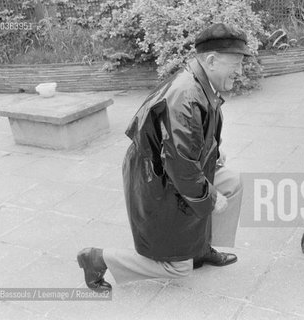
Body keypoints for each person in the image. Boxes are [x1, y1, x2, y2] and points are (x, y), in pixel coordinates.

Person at [77, 23, 249, 292]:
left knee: (232, 182)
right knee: (177, 269)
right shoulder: (185, 95)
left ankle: (200, 248)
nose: (240, 71)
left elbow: (188, 141)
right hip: (156, 180)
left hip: (170, 169)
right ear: (212, 60)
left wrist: (212, 152)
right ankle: (98, 258)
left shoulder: (202, 82)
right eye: (236, 63)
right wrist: (211, 198)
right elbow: (181, 165)